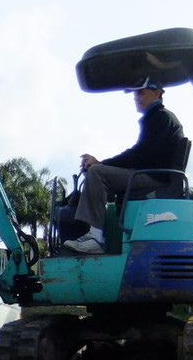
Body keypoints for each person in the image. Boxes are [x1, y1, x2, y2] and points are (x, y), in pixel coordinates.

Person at [64, 77, 185, 254]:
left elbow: (139, 155)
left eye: (141, 92)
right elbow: (140, 155)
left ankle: (95, 238)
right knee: (102, 173)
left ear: (157, 93)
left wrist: (101, 163)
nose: (136, 97)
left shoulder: (161, 118)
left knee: (98, 173)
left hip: (154, 178)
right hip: (153, 174)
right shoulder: (158, 118)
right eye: (135, 93)